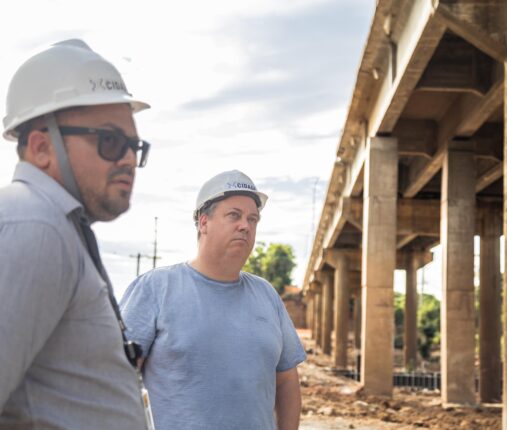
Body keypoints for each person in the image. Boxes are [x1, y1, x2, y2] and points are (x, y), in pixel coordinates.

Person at [0, 39, 153, 429]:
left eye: (134, 146)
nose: (128, 160)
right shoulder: (35, 226)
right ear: (41, 147)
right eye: (110, 141)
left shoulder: (60, 226)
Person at [120, 170, 306, 430]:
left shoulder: (266, 295)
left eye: (253, 219)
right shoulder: (155, 289)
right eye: (234, 215)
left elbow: (286, 380)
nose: (246, 225)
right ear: (203, 222)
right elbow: (114, 380)